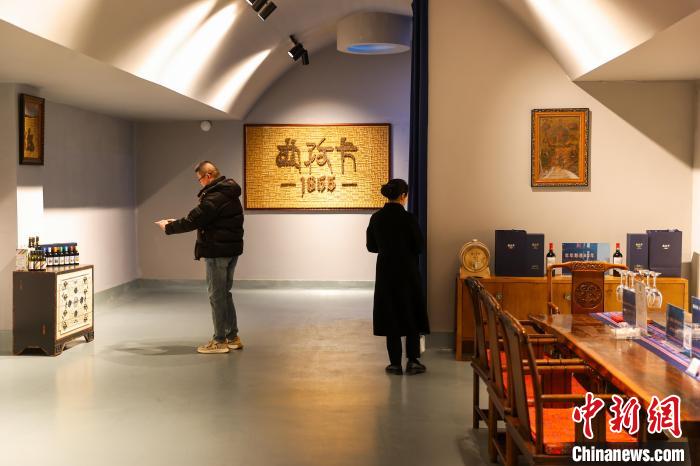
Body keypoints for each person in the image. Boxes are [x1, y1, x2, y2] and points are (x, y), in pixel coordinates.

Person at [155, 161, 244, 354]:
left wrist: (169, 227)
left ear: (208, 176)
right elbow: (204, 219)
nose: (200, 183)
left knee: (216, 296)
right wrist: (178, 222)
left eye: (200, 179)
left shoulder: (214, 196)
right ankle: (232, 337)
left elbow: (193, 220)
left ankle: (219, 341)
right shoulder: (229, 192)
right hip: (230, 250)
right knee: (224, 293)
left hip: (217, 252)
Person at [366, 179, 430, 375]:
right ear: (403, 196)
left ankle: (394, 363)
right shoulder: (409, 219)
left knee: (390, 313)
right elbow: (419, 246)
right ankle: (413, 361)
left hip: (386, 271)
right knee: (411, 311)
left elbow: (371, 246)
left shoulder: (376, 218)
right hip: (408, 270)